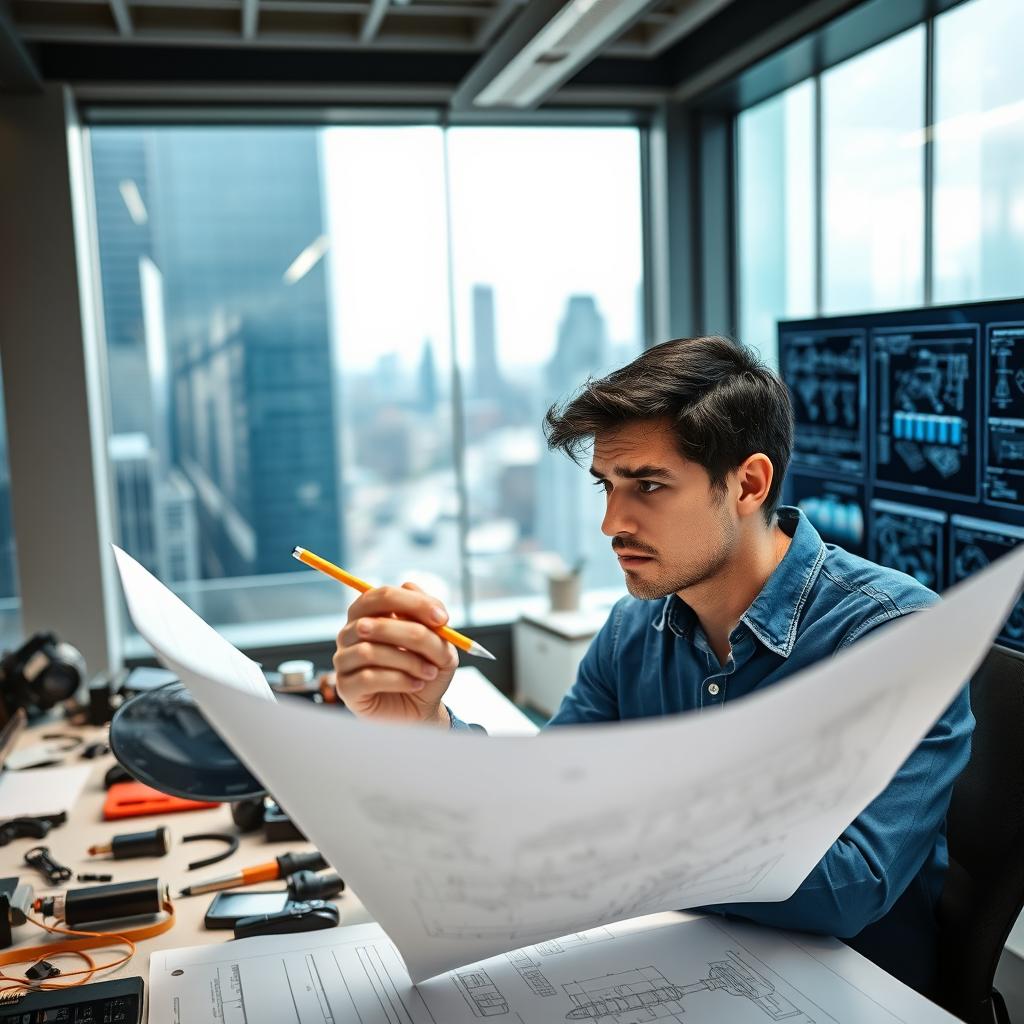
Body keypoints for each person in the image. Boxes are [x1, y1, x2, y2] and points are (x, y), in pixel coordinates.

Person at [332, 335, 973, 994]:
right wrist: (425, 724)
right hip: (688, 973)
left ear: (749, 483)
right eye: (607, 485)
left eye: (648, 485)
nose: (612, 521)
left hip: (853, 997)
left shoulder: (893, 634)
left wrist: (612, 818)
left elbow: (849, 887)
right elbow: (535, 806)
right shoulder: (632, 630)